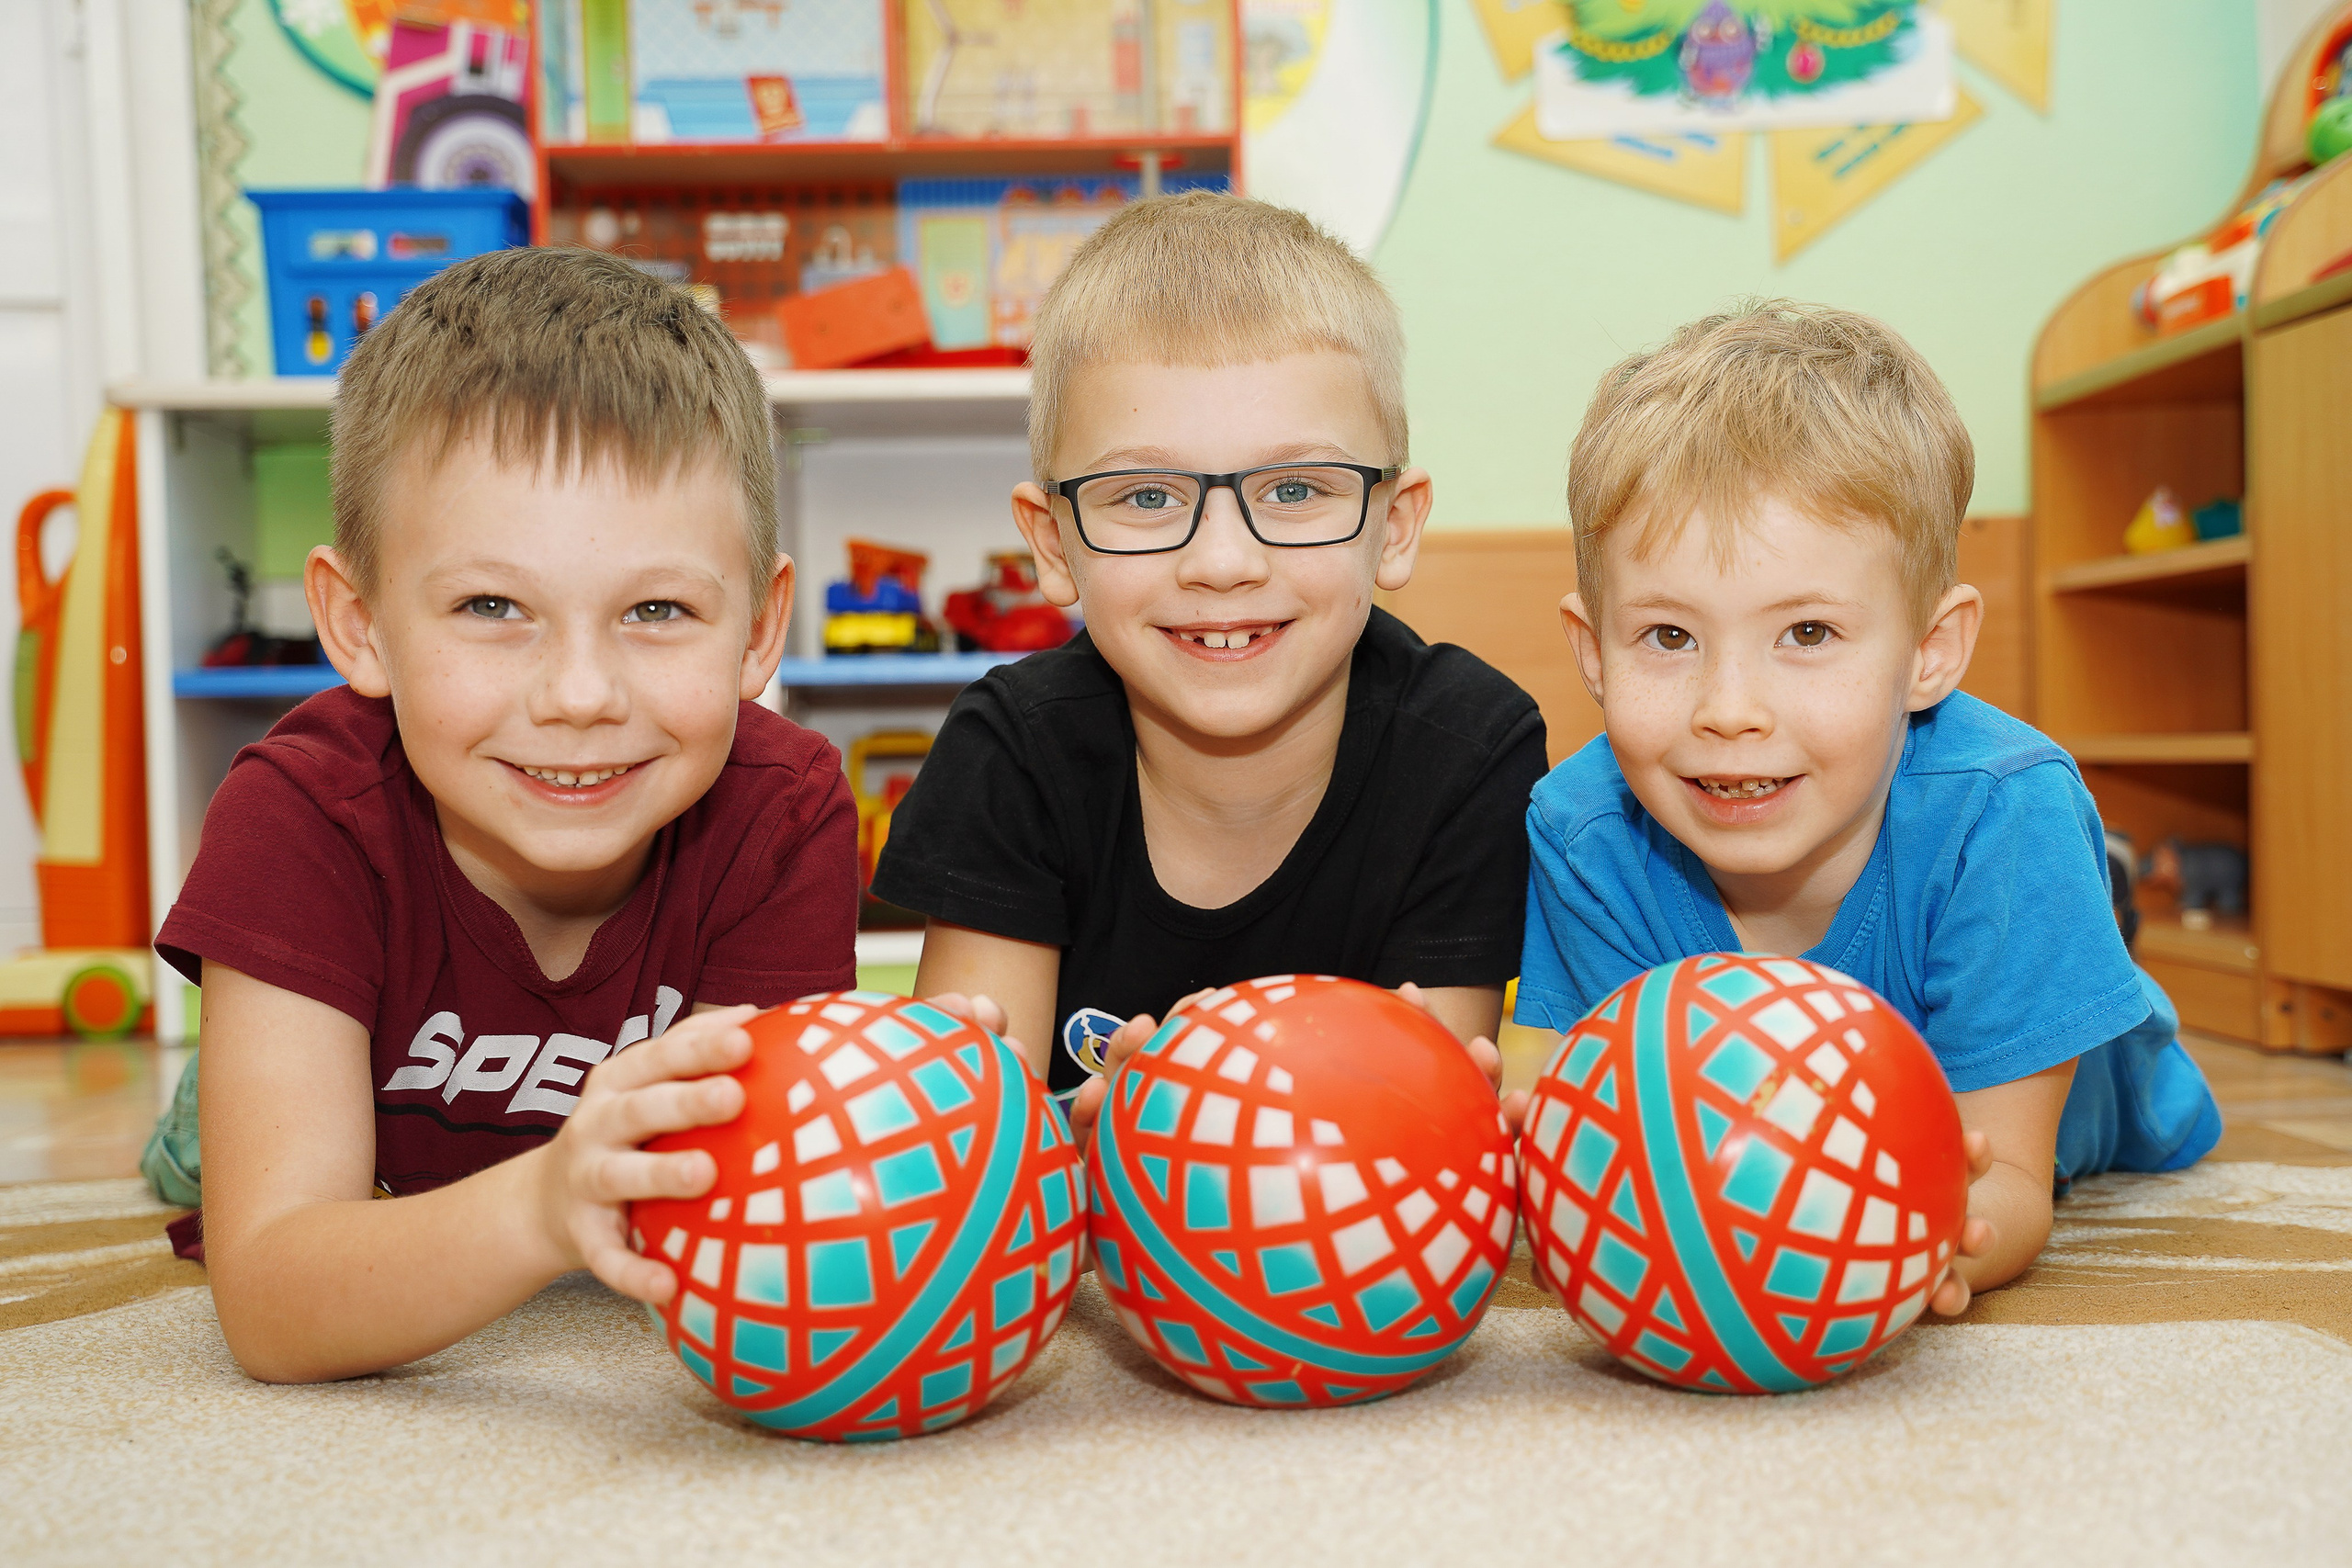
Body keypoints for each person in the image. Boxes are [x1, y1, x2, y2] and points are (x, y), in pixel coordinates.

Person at [157, 248, 857, 1382]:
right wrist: (538, 1208)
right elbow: (272, 1307)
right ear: (360, 624)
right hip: (335, 1055)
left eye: (658, 609)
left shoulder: (784, 814)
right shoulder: (297, 817)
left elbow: (746, 1200)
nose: (580, 695)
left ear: (761, 631)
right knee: (211, 1154)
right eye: (493, 605)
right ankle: (216, 1094)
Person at [1519, 300, 2220, 1318]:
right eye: (1668, 638)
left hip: (2093, 1113)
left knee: (2036, 851)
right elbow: (1610, 1143)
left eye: (1806, 632)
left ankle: (2090, 887)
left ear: (1930, 650)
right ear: (1592, 651)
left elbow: (2013, 1186)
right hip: (1796, 1116)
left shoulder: (1999, 814)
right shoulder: (1582, 829)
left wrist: (1924, 1249)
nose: (1728, 713)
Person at [872, 192, 1549, 1131]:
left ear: (1393, 528)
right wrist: (1078, 1145)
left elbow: (1416, 1152)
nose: (1223, 563)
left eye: (1298, 488)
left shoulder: (1467, 748)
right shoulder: (1012, 753)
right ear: (1054, 543)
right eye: (1146, 494)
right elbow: (959, 1157)